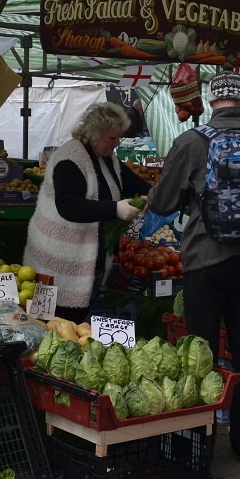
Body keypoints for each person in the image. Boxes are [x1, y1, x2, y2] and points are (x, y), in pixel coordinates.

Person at [147, 70, 240, 465]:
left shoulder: (192, 142)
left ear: (211, 101)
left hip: (206, 260)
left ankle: (199, 447)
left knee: (201, 353)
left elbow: (161, 203)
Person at [24, 101, 148, 324]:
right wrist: (115, 208)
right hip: (56, 259)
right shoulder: (70, 159)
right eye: (113, 138)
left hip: (85, 261)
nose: (117, 143)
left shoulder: (106, 158)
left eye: (119, 137)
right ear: (95, 136)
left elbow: (132, 183)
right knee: (49, 322)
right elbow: (68, 205)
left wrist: (153, 195)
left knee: (71, 324)